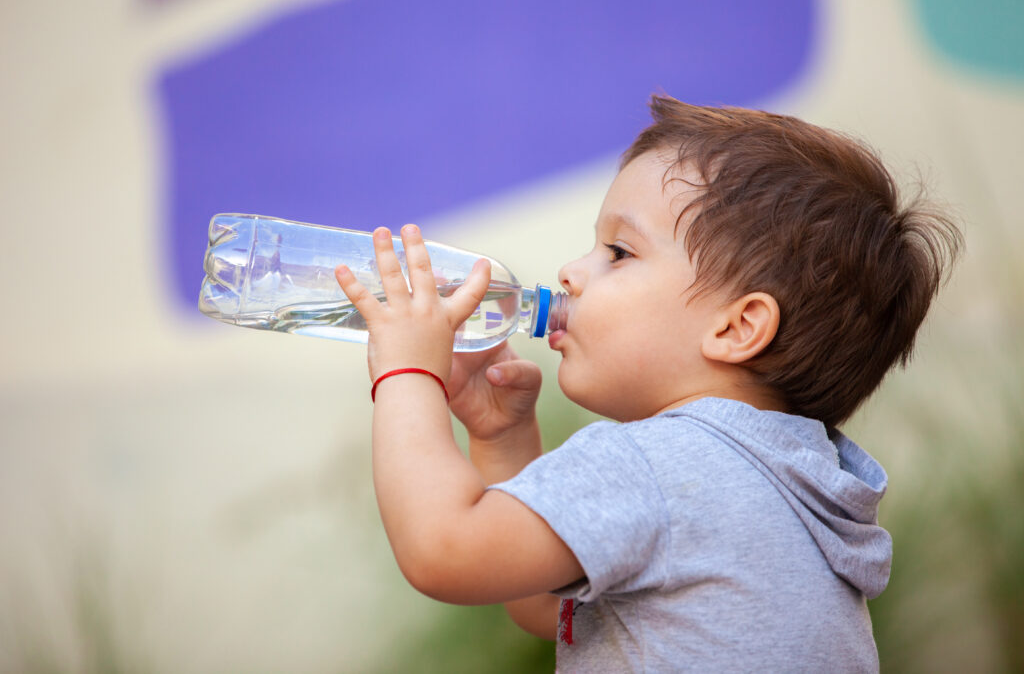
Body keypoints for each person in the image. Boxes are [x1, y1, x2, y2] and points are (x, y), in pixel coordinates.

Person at [333, 95, 962, 671]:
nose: (571, 272)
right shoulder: (787, 482)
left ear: (738, 326)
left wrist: (406, 369)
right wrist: (502, 437)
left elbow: (445, 552)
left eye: (619, 252)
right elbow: (548, 609)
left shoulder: (663, 464)